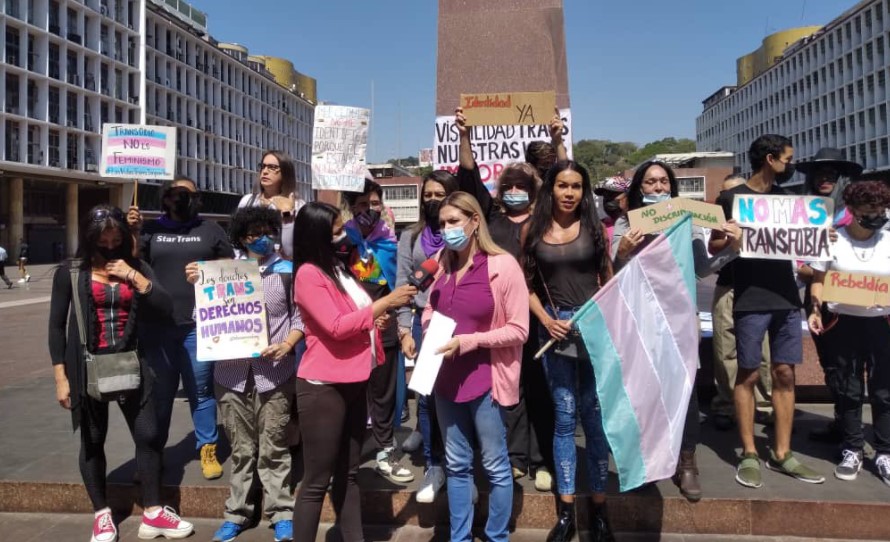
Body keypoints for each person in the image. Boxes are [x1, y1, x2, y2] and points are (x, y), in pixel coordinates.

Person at [48, 205, 194, 542]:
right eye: (104, 240)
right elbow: (56, 328)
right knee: (93, 441)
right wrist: (61, 377)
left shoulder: (137, 266)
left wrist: (136, 278)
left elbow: (165, 308)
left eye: (117, 240)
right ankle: (102, 515)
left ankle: (154, 513)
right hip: (87, 369)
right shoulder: (70, 273)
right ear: (89, 239)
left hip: (133, 363)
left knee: (149, 436)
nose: (111, 246)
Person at [612, 161, 741, 502]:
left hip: (680, 319)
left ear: (672, 188)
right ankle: (645, 463)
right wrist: (623, 252)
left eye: (663, 182)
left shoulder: (689, 222)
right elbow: (613, 271)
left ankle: (687, 463)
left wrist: (731, 248)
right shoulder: (626, 223)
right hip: (639, 320)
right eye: (650, 182)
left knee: (686, 392)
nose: (657, 188)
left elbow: (702, 268)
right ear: (639, 187)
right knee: (642, 393)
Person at [292, 202, 417, 542]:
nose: (342, 234)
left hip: (355, 378)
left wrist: (375, 318)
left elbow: (352, 316)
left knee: (348, 475)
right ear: (317, 234)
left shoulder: (338, 269)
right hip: (323, 386)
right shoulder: (307, 275)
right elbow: (334, 326)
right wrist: (386, 302)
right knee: (317, 480)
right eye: (334, 230)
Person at [710, 134, 825, 488]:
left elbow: (808, 244)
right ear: (771, 159)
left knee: (785, 373)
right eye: (788, 159)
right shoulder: (731, 199)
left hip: (787, 299)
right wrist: (728, 237)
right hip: (749, 298)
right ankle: (748, 452)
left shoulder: (791, 201)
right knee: (747, 374)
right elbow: (713, 247)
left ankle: (782, 452)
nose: (791, 165)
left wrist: (822, 238)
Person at [454, 106, 555, 492]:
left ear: (533, 193)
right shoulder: (491, 217)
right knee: (507, 388)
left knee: (539, 388)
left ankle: (542, 459)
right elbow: (468, 177)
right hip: (499, 319)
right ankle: (515, 458)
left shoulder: (544, 219)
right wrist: (465, 134)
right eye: (508, 187)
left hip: (540, 315)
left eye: (522, 188)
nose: (514, 192)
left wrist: (558, 142)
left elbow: (562, 179)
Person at [423, 191, 529, 542]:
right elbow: (429, 309)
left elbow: (518, 329)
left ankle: (497, 536)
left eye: (454, 221)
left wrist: (469, 342)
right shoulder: (440, 264)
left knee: (497, 467)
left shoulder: (502, 266)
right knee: (456, 466)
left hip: (487, 382)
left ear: (474, 221)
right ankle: (460, 537)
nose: (447, 229)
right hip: (445, 382)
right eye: (442, 223)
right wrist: (425, 330)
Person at [524, 160, 615, 542]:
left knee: (594, 420)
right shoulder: (532, 230)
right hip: (555, 332)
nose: (568, 193)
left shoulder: (594, 228)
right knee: (564, 419)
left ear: (584, 192)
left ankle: (598, 510)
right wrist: (546, 320)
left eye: (576, 186)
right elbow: (525, 286)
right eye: (562, 185)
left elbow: (608, 279)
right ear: (551, 189)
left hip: (594, 329)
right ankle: (566, 511)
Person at [127, 177, 236, 480]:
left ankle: (208, 449)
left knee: (200, 391)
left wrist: (207, 271)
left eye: (189, 194)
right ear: (165, 198)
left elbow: (231, 267)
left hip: (198, 326)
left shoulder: (210, 229)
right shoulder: (150, 229)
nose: (182, 199)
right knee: (159, 394)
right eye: (176, 194)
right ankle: (152, 455)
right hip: (157, 327)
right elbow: (132, 262)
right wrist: (134, 230)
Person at [211, 207, 303, 542]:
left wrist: (288, 344)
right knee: (241, 449)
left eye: (268, 231)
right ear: (240, 237)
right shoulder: (221, 273)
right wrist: (197, 284)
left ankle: (281, 513)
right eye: (254, 233)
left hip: (275, 372)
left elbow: (299, 316)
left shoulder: (288, 272)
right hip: (231, 374)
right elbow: (202, 317)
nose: (262, 238)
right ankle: (237, 513)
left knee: (274, 446)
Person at [808, 180, 890, 485]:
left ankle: (885, 451)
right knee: (848, 388)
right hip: (842, 322)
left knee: (884, 390)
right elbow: (818, 279)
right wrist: (816, 309)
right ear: (852, 210)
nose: (878, 214)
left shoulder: (889, 240)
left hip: (882, 322)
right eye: (870, 209)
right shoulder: (832, 240)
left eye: (882, 208)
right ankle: (852, 448)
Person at [342, 179, 414, 485]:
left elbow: (401, 286)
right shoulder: (341, 242)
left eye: (373, 204)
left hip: (383, 329)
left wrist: (399, 324)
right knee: (351, 394)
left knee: (382, 393)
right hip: (349, 330)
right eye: (360, 205)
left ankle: (385, 448)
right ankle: (348, 453)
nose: (367, 210)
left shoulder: (391, 243)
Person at [395, 169, 459, 503]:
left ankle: (461, 469)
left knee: (463, 399)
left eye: (440, 194)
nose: (433, 200)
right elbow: (403, 284)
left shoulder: (465, 234)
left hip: (461, 324)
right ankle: (434, 467)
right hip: (425, 324)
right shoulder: (410, 237)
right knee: (427, 398)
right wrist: (406, 328)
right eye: (428, 194)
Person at [795, 148, 864, 444]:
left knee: (864, 367)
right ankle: (844, 424)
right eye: (819, 174)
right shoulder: (801, 215)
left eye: (831, 175)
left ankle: (861, 433)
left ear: (841, 179)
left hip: (863, 303)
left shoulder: (859, 214)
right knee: (833, 366)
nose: (824, 179)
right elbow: (798, 264)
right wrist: (814, 268)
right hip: (820, 302)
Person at [710, 176, 774, 432]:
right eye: (726, 194)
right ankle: (727, 404)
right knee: (725, 347)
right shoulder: (721, 217)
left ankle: (766, 405)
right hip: (728, 285)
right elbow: (713, 247)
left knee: (764, 350)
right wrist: (729, 239)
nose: (731, 197)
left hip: (760, 286)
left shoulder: (765, 212)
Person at [238, 150, 307, 260]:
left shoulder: (298, 205)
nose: (265, 171)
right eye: (263, 166)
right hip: (249, 267)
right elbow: (236, 240)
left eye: (272, 167)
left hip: (280, 270)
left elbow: (290, 251)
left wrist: (287, 215)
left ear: (285, 172)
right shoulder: (248, 201)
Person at [594, 176, 630, 247]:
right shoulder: (599, 228)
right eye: (605, 195)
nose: (607, 199)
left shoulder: (638, 223)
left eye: (613, 194)